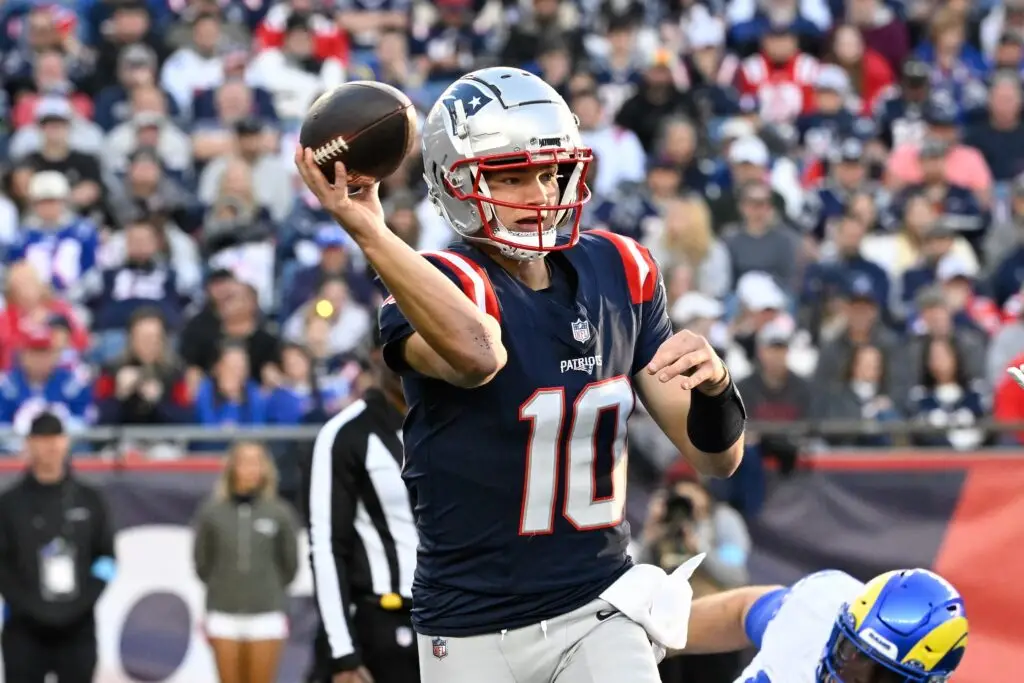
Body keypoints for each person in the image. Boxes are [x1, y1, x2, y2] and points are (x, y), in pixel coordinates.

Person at [294, 66, 747, 683]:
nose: (538, 193)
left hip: (597, 603)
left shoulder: (623, 269)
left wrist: (717, 388)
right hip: (470, 625)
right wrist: (369, 231)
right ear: (454, 181)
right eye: (509, 175)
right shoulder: (439, 288)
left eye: (548, 171)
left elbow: (716, 458)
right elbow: (479, 353)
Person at [302, 328, 419, 683]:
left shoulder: (457, 424)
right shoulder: (345, 434)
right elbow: (326, 547)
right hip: (379, 622)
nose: (410, 360)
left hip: (453, 620)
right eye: (397, 349)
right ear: (375, 355)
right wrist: (343, 653)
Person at [675, 568, 968, 683]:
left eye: (883, 680)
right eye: (853, 652)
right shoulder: (817, 611)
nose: (854, 676)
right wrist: (655, 634)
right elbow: (743, 611)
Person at [0, 411, 117, 683]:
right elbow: (1, 564)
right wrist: (29, 606)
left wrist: (82, 602)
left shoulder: (90, 499)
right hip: (24, 627)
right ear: (28, 444)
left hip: (78, 627)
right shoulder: (9, 504)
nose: (50, 446)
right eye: (42, 439)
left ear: (66, 443)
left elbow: (107, 559)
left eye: (56, 438)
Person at [192, 441, 300, 683]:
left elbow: (290, 566)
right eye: (244, 462)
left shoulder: (279, 513)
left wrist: (267, 589)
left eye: (257, 462)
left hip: (267, 614)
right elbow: (202, 564)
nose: (251, 469)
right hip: (223, 614)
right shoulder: (211, 513)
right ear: (231, 467)